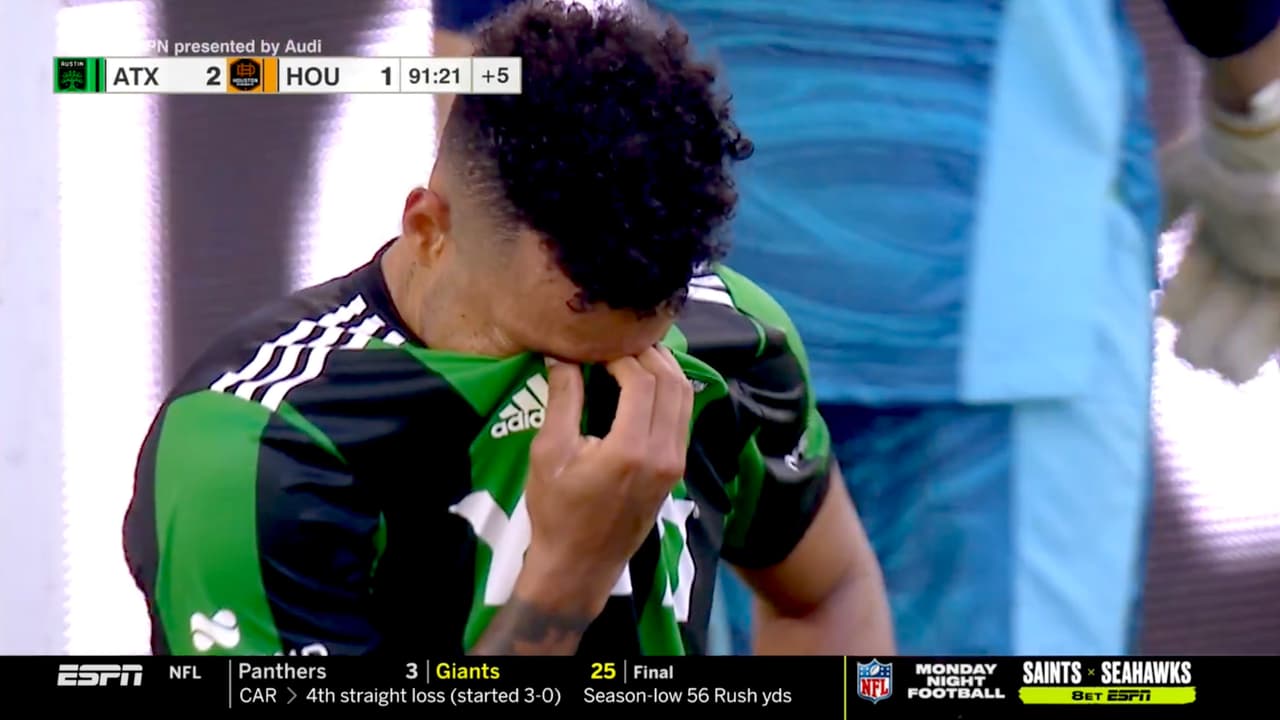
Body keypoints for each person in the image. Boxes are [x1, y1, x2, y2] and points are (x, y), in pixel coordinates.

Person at [433, 0, 1280, 656]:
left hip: (728, 318)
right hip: (917, 311)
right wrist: (1260, 122)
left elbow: (482, 28)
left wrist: (484, 247)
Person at [122, 0, 894, 656]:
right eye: (540, 353)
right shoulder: (261, 447)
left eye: (640, 354)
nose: (601, 403)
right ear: (429, 230)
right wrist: (566, 581)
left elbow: (824, 595)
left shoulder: (734, 339)